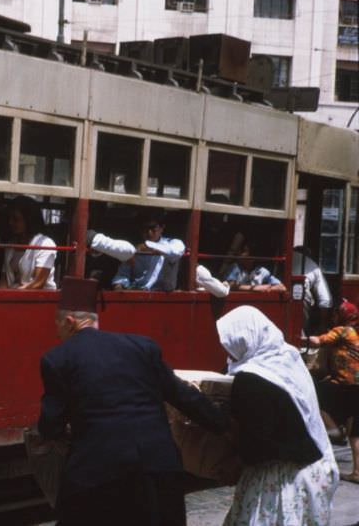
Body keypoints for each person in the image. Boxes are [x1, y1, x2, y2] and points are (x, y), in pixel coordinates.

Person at [37, 277, 227, 526]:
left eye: (57, 325)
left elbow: (50, 426)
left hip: (98, 475)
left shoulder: (57, 359)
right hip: (158, 467)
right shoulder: (141, 346)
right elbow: (183, 396)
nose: (57, 332)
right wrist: (225, 426)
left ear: (70, 322)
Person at [216, 306, 339, 525]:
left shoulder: (250, 379)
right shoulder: (288, 357)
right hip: (315, 472)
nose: (228, 351)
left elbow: (255, 448)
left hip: (277, 483)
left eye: (230, 343)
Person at [306, 299, 359, 484]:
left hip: (347, 385)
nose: (334, 316)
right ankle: (357, 471)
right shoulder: (356, 331)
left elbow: (317, 341)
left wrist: (304, 337)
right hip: (355, 385)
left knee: (315, 395)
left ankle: (333, 429)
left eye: (337, 313)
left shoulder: (343, 330)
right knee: (355, 430)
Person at [112, 214, 185, 292]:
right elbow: (122, 275)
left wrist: (148, 245)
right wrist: (119, 286)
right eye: (145, 229)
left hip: (162, 295)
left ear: (162, 228)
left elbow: (175, 252)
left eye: (153, 228)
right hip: (137, 293)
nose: (149, 232)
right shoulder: (134, 249)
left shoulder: (174, 243)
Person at [0, 196, 56, 290]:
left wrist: (12, 296)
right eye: (10, 218)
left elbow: (38, 283)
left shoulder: (45, 244)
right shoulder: (11, 244)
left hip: (37, 300)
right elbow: (4, 278)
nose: (10, 223)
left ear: (29, 220)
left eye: (16, 219)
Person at [293, 246, 333, 334]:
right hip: (301, 294)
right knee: (298, 332)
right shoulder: (313, 266)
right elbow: (325, 300)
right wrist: (323, 325)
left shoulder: (287, 256)